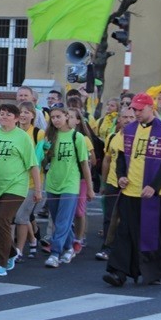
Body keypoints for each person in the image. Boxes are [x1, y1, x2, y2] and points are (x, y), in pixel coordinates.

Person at [104, 93, 161, 286]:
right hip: (130, 190)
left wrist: (153, 187)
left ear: (151, 107)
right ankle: (119, 272)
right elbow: (121, 157)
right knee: (124, 232)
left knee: (154, 234)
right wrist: (121, 175)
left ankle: (155, 272)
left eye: (140, 109)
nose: (136, 113)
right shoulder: (129, 129)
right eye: (134, 109)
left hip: (155, 193)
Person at [0, 104, 41, 277]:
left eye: (8, 115)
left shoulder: (22, 137)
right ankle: (12, 251)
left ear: (16, 118)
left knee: (3, 220)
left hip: (16, 186)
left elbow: (33, 165)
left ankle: (0, 263)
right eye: (2, 114)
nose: (4, 117)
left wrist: (38, 189)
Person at [42, 104, 93, 268]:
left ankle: (55, 253)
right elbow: (43, 162)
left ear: (66, 117)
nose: (56, 120)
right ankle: (70, 246)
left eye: (59, 116)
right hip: (52, 183)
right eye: (53, 117)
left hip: (70, 184)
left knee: (64, 221)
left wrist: (90, 188)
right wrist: (43, 152)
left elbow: (85, 164)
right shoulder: (49, 137)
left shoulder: (77, 137)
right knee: (58, 220)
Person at [97, 106, 135, 261]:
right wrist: (104, 183)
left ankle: (128, 249)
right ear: (119, 119)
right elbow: (107, 160)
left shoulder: (139, 138)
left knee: (129, 219)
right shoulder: (113, 137)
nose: (128, 120)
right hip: (113, 182)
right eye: (125, 117)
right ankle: (107, 247)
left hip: (133, 185)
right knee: (109, 217)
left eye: (131, 117)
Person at [13, 102, 45, 259]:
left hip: (32, 182)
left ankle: (18, 250)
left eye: (27, 112)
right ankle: (32, 240)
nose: (24, 115)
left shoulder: (38, 134)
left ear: (33, 115)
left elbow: (39, 160)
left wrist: (39, 188)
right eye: (21, 112)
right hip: (15, 181)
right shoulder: (14, 132)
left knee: (21, 216)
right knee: (19, 216)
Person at [68, 107, 97, 255]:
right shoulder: (58, 136)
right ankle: (65, 238)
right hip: (65, 178)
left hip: (80, 179)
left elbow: (93, 160)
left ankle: (79, 238)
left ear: (78, 120)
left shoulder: (83, 138)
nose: (68, 119)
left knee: (79, 212)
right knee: (65, 211)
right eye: (66, 116)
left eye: (71, 117)